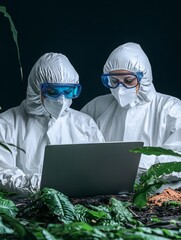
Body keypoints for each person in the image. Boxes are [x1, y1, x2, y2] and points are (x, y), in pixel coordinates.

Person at [0, 52, 104, 194]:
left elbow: (100, 167)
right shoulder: (7, 124)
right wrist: (40, 185)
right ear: (36, 88)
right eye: (53, 91)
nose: (61, 99)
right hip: (23, 208)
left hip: (77, 203)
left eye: (68, 91)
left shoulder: (84, 124)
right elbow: (2, 174)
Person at [81, 42, 181, 185]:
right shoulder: (97, 107)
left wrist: (133, 163)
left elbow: (178, 161)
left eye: (128, 80)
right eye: (114, 80)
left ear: (144, 77)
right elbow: (75, 151)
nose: (120, 88)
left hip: (157, 196)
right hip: (104, 193)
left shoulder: (171, 108)